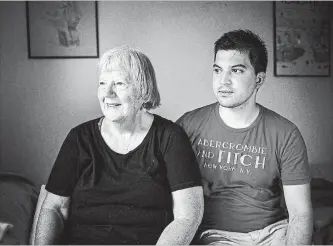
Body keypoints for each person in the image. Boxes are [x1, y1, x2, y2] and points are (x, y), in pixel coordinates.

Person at [34, 46, 204, 245]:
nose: (107, 93)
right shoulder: (79, 137)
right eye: (102, 83)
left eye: (119, 84)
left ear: (143, 90)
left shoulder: (170, 137)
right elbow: (54, 207)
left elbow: (187, 217)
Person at [176, 29, 313, 245]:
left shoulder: (286, 134)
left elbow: (300, 215)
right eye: (217, 70)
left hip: (274, 233)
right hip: (215, 236)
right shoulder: (187, 126)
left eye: (236, 71)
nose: (223, 81)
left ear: (259, 79)